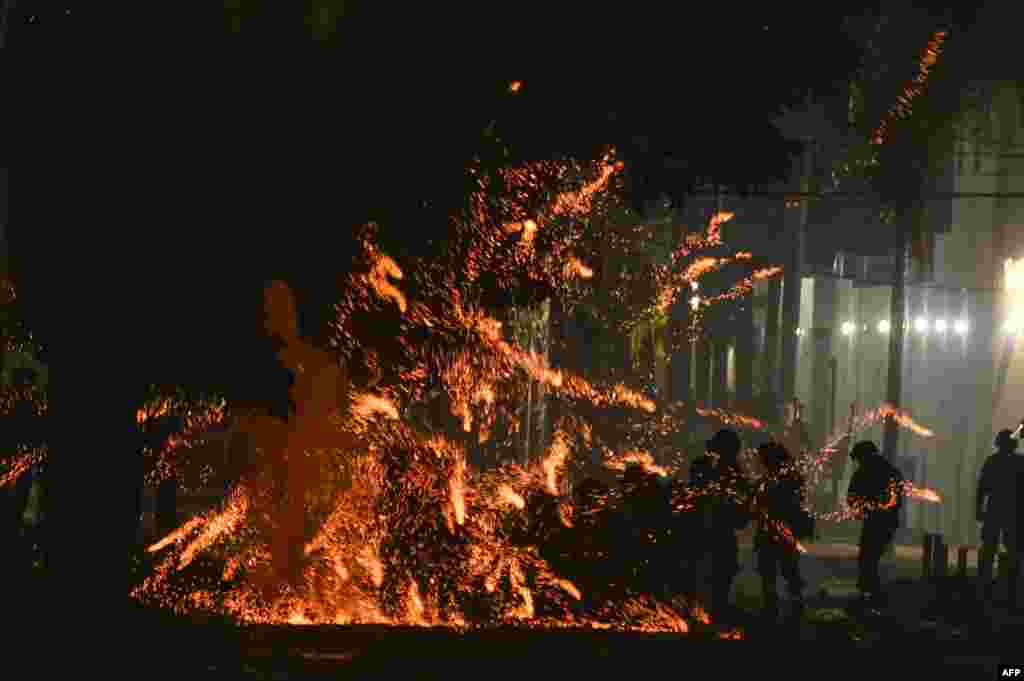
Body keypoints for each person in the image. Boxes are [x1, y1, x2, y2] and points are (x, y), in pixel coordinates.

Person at [688, 428, 753, 621]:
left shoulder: (718, 468)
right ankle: (711, 612)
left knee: (718, 575)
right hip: (711, 531)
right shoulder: (714, 468)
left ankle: (712, 612)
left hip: (715, 532)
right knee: (714, 575)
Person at [846, 440, 904, 609]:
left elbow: (851, 498)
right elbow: (897, 500)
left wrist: (863, 506)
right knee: (870, 557)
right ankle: (870, 592)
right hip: (886, 521)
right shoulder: (892, 471)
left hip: (875, 521)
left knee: (868, 558)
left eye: (858, 459)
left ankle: (870, 593)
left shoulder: (863, 473)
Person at [752, 441, 807, 622]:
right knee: (773, 570)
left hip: (782, 530)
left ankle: (791, 604)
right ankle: (775, 605)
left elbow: (794, 503)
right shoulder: (772, 479)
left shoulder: (785, 479)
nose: (761, 461)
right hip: (772, 531)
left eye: (763, 458)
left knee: (786, 569)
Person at [976, 428, 1024, 608]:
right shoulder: (1020, 462)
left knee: (989, 548)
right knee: (1014, 550)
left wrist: (978, 509)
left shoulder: (992, 462)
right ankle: (1011, 585)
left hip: (995, 510)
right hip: (1014, 511)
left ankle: (984, 583)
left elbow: (982, 488)